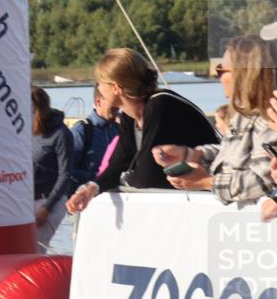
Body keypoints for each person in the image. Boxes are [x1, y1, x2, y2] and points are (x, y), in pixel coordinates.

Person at [66, 48, 218, 214]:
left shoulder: (160, 105)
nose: (98, 89)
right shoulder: (129, 117)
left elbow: (147, 176)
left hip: (210, 198)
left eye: (100, 83)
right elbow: (118, 165)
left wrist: (125, 177)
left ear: (116, 87)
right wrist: (92, 189)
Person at [152, 35, 276, 209]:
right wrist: (192, 155)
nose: (218, 78)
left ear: (243, 75)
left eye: (221, 70)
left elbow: (263, 181)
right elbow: (233, 155)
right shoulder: (243, 117)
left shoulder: (270, 119)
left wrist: (206, 182)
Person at [31, 86, 75, 249]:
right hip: (27, 200)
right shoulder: (25, 132)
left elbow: (65, 175)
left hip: (49, 201)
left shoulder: (61, 134)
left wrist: (47, 208)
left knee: (36, 250)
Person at [69, 85, 119, 186]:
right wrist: (97, 177)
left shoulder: (118, 129)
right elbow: (68, 170)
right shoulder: (81, 131)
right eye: (113, 103)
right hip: (88, 195)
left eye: (118, 102)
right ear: (98, 102)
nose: (117, 107)